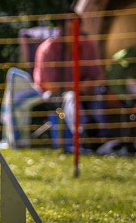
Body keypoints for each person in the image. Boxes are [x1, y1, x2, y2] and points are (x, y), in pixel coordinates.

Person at [33, 14, 109, 150]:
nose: (74, 34)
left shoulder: (87, 45)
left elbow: (98, 75)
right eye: (70, 30)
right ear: (60, 28)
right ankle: (82, 137)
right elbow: (50, 85)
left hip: (85, 93)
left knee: (100, 92)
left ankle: (102, 139)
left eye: (77, 29)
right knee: (71, 98)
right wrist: (78, 87)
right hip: (52, 96)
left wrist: (89, 84)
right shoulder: (47, 50)